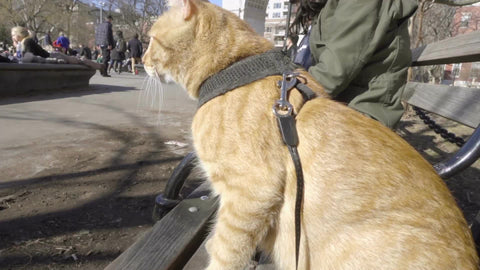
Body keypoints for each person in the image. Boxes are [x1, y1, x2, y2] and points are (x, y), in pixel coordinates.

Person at [290, 0, 418, 129]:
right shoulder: (327, 6)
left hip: (365, 106)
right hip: (343, 100)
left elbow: (333, 71)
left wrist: (287, 95)